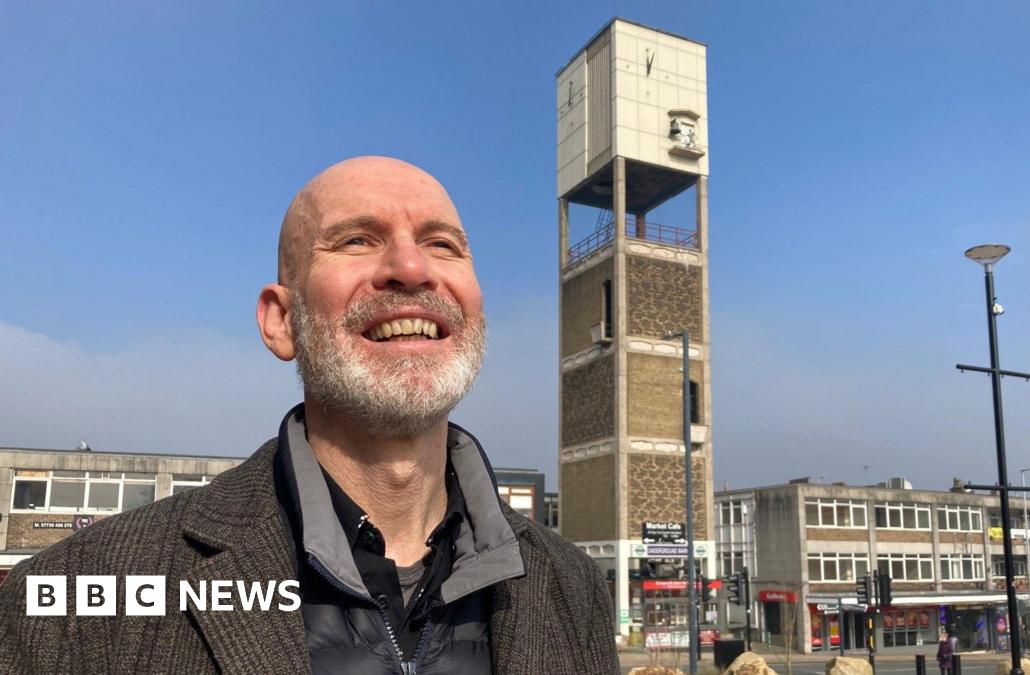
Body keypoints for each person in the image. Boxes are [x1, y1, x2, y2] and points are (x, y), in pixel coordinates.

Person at [0, 156, 620, 674]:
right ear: (281, 321)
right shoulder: (73, 605)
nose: (412, 269)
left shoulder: (574, 588)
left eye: (442, 244)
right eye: (357, 240)